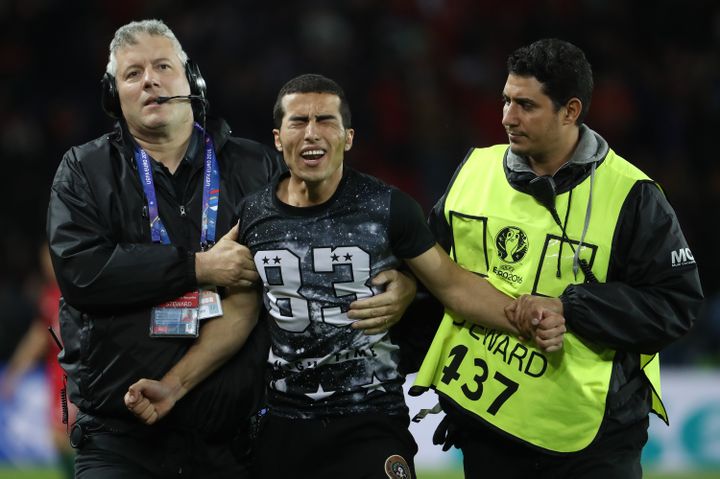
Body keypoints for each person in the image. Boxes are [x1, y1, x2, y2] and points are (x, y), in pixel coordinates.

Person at [124, 73, 565, 479]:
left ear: (348, 137)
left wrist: (523, 316)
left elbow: (453, 287)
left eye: (325, 120)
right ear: (278, 139)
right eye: (298, 121)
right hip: (282, 427)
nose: (312, 132)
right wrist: (172, 386)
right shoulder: (254, 215)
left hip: (370, 424)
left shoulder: (389, 208)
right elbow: (239, 316)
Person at [47, 21, 415, 479]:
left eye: (162, 66)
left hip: (234, 444)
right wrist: (198, 267)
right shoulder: (84, 170)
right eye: (132, 74)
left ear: (192, 80)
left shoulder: (256, 164)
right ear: (113, 95)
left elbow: (330, 240)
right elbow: (82, 273)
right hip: (121, 439)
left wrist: (404, 282)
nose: (150, 81)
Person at [411, 38, 704, 478]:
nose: (507, 117)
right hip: (489, 430)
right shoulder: (474, 169)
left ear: (570, 111)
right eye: (506, 100)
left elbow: (675, 306)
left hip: (592, 442)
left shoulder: (632, 195)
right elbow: (434, 273)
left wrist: (572, 307)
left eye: (526, 105)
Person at [0, 243, 77, 478]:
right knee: (59, 437)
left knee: (67, 436)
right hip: (58, 379)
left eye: (51, 258)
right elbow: (40, 336)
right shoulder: (50, 296)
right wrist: (15, 372)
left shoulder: (80, 294)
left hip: (77, 378)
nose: (47, 265)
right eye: (44, 259)